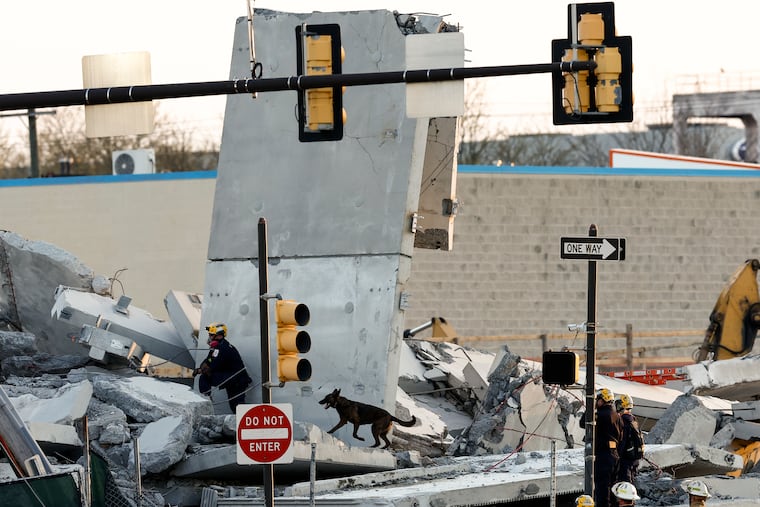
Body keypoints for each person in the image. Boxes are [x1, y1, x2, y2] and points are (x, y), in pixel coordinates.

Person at [194, 322, 252, 413]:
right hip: (231, 379)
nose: (209, 337)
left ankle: (206, 402)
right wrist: (200, 368)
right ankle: (206, 399)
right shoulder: (216, 348)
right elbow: (208, 360)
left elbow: (213, 366)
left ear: (219, 336)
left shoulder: (223, 348)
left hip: (237, 380)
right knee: (235, 406)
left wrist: (201, 370)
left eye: (211, 335)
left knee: (237, 406)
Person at [594, 387, 623, 507]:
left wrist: (590, 409)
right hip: (614, 454)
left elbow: (582, 423)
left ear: (602, 400)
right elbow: (621, 437)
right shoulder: (617, 416)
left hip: (603, 454)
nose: (596, 402)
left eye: (597, 399)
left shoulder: (599, 414)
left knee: (602, 488)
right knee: (613, 486)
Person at [617, 393, 644, 484]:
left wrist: (617, 455)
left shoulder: (623, 420)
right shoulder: (633, 419)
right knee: (631, 480)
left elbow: (623, 440)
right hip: (635, 457)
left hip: (626, 458)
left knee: (624, 483)